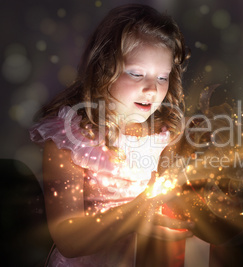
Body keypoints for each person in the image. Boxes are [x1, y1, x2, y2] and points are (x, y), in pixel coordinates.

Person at [30, 4, 193, 266]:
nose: (152, 89)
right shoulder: (70, 141)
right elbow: (67, 240)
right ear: (104, 68)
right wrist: (136, 213)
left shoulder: (165, 136)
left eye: (162, 77)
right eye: (136, 74)